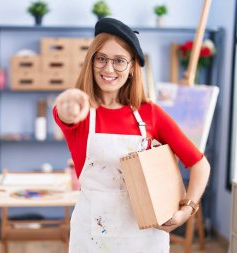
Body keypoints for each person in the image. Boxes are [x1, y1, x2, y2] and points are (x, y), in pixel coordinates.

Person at [53, 17, 210, 253]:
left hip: (145, 240)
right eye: (101, 59)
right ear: (91, 62)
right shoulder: (83, 114)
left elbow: (200, 164)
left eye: (119, 61)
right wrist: (68, 104)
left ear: (132, 69)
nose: (108, 68)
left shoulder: (151, 114)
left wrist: (187, 209)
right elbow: (65, 112)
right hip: (92, 240)